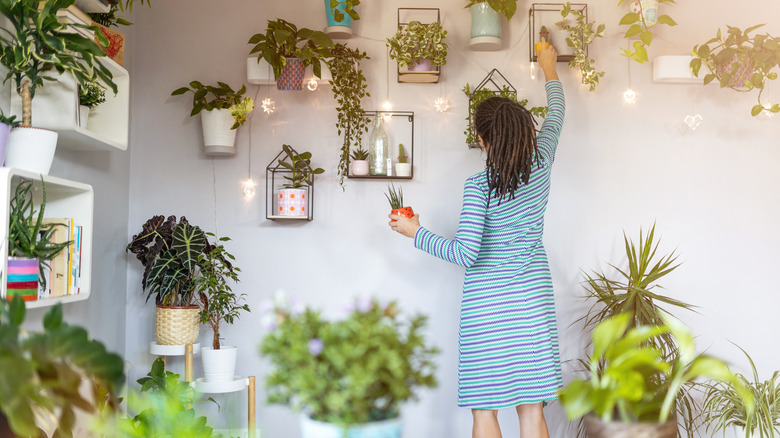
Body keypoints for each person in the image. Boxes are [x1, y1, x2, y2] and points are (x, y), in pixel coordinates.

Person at [388, 38, 564, 438]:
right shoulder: (543, 160)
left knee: (485, 412)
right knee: (531, 409)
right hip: (532, 298)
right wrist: (549, 67)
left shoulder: (479, 185)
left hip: (487, 307)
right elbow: (557, 113)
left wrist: (416, 233)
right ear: (524, 130)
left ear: (483, 140)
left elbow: (466, 253)